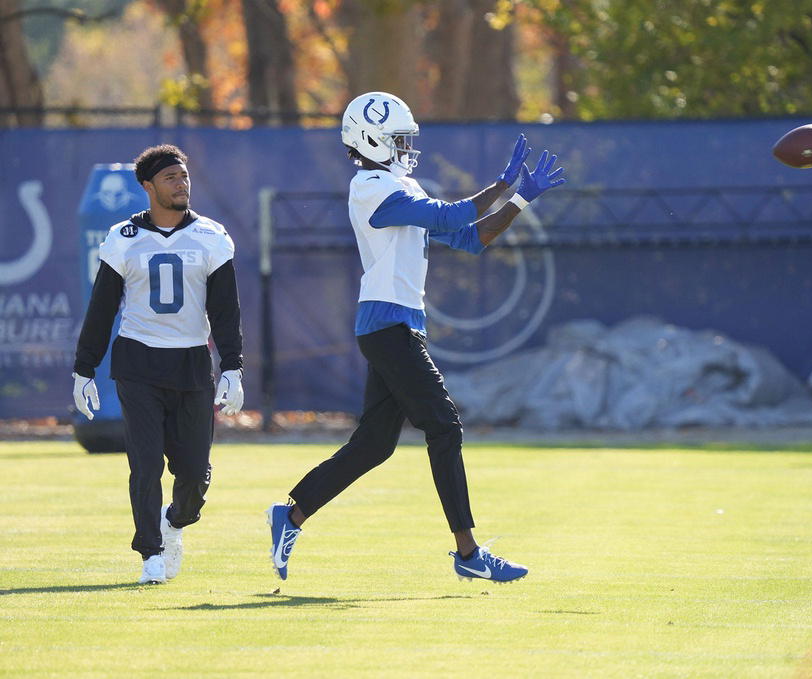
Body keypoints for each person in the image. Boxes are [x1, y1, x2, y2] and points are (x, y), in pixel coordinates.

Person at [266, 91, 565, 583]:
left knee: (374, 446)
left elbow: (469, 238)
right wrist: (506, 187)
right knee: (444, 425)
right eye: (398, 139)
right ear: (370, 140)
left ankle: (291, 515)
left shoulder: (395, 185)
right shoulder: (370, 187)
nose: (407, 147)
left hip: (396, 325)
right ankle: (468, 553)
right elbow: (452, 217)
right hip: (389, 325)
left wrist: (515, 196)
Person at [72, 144, 244, 585]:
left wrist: (233, 367)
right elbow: (102, 308)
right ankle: (149, 552)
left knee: (194, 474)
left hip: (190, 362)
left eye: (184, 177)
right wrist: (84, 368)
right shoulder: (122, 238)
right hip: (139, 362)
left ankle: (176, 523)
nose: (181, 184)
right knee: (145, 463)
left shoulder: (211, 236)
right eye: (171, 178)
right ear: (148, 187)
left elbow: (226, 311)